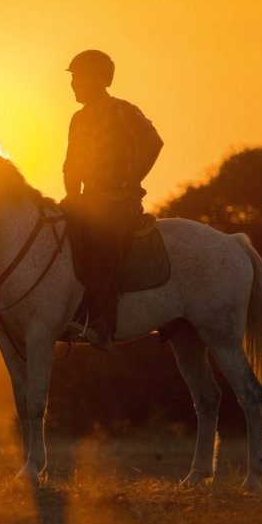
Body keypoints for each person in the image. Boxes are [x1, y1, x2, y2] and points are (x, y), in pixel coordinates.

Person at [62, 49, 163, 349]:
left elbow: (153, 142)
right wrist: (71, 195)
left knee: (102, 243)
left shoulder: (123, 110)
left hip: (121, 203)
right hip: (88, 201)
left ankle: (100, 324)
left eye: (78, 78)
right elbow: (71, 163)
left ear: (97, 79)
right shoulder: (78, 120)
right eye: (73, 79)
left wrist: (130, 179)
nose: (74, 85)